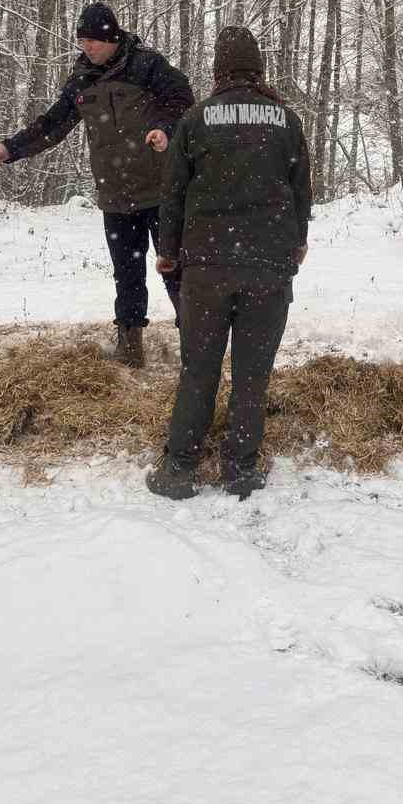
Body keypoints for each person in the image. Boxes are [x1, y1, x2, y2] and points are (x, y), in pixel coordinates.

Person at [147, 25, 311, 501]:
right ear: (258, 68)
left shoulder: (197, 120)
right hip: (266, 265)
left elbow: (173, 191)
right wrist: (296, 244)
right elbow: (301, 190)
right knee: (252, 373)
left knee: (198, 368)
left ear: (218, 70)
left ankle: (180, 467)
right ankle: (240, 467)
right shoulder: (285, 120)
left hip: (207, 266)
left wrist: (169, 251)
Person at [0, 3, 194, 367]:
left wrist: (165, 129)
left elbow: (183, 101)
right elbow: (53, 124)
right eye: (82, 42)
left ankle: (196, 339)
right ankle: (130, 346)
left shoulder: (146, 65)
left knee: (175, 267)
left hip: (161, 191)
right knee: (126, 274)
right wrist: (11, 148)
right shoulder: (82, 79)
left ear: (112, 38)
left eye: (94, 41)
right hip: (116, 195)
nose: (87, 48)